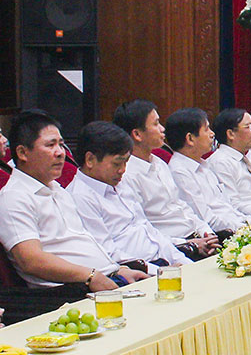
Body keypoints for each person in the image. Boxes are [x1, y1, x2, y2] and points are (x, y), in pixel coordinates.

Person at [0, 110, 147, 322]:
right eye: (50, 145)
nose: (60, 153)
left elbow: (82, 241)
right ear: (23, 153)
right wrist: (91, 276)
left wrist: (118, 270)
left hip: (103, 280)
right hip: (67, 296)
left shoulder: (57, 189)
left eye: (61, 145)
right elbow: (31, 260)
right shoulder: (14, 197)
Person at [67, 121, 193, 273]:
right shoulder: (80, 197)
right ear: (90, 160)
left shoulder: (120, 184)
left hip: (161, 261)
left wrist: (183, 262)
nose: (123, 170)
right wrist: (160, 271)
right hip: (137, 272)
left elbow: (148, 229)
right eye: (117, 164)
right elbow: (108, 254)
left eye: (126, 162)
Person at [113, 100, 219, 258]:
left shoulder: (160, 163)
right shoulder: (126, 174)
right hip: (172, 247)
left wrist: (206, 233)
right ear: (137, 134)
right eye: (156, 124)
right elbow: (144, 228)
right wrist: (187, 244)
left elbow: (181, 205)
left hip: (196, 237)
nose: (162, 129)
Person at [165, 108, 251, 233]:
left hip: (237, 225)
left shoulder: (204, 165)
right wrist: (246, 229)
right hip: (223, 233)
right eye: (206, 129)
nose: (212, 134)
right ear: (190, 139)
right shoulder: (180, 172)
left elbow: (227, 208)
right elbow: (207, 219)